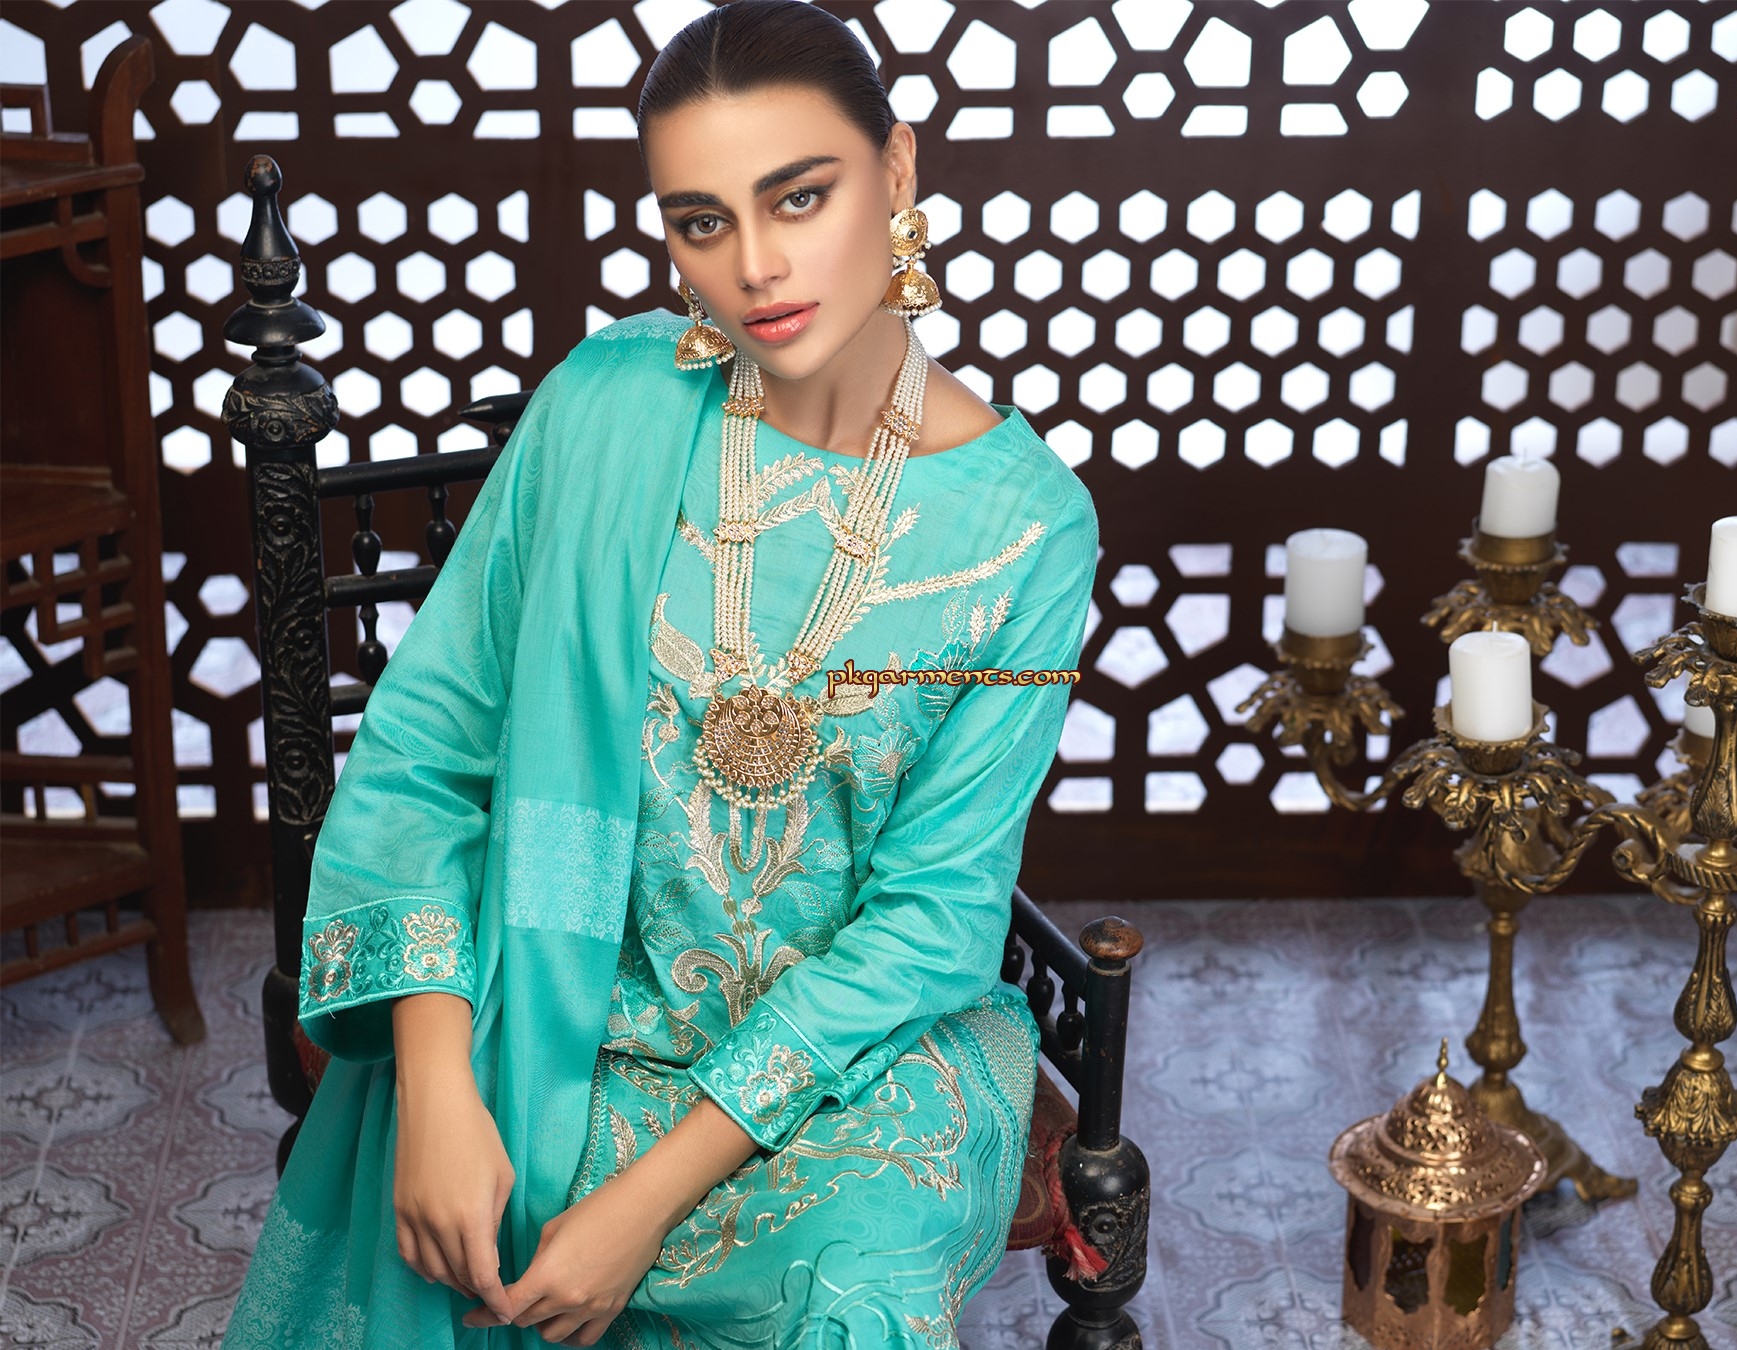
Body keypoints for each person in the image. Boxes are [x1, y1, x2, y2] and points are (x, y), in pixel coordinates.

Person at [226, 1, 1099, 1345]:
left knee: (852, 1294)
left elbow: (932, 920)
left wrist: (642, 1204)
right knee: (476, 1214)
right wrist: (440, 1085)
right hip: (554, 1004)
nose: (756, 266)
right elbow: (425, 753)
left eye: (799, 196)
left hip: (845, 1064)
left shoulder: (1031, 527)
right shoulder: (607, 405)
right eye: (701, 221)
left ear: (898, 170)